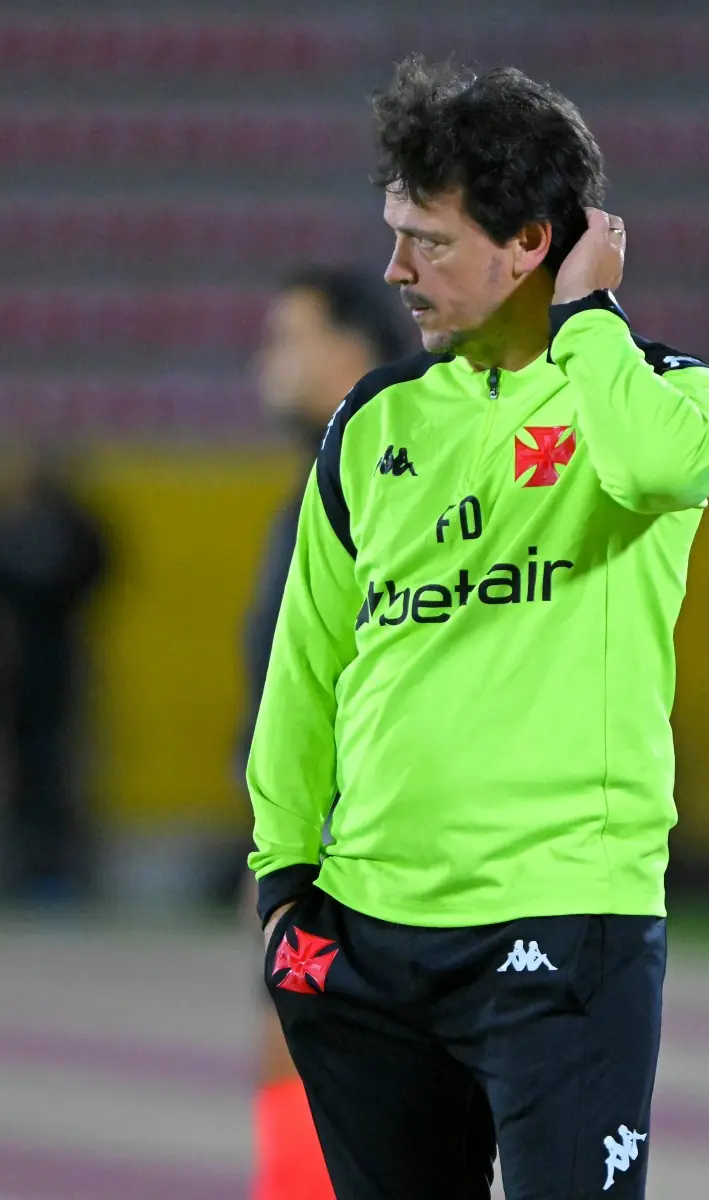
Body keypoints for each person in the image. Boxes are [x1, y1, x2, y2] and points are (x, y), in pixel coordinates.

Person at [247, 57, 709, 1200]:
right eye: (393, 235)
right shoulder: (373, 423)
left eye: (427, 242)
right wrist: (283, 892)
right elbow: (307, 667)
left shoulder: (663, 395)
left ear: (528, 243)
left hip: (564, 922)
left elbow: (652, 467)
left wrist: (588, 317)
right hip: (364, 933)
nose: (395, 270)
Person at [240, 266, 411, 1200]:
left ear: (351, 346)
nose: (266, 361)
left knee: (328, 1064)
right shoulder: (323, 487)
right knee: (297, 1058)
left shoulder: (390, 487)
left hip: (351, 846)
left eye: (287, 337)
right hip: (304, 836)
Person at [0, 450, 107, 902]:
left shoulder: (74, 526)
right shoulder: (15, 525)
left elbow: (99, 567)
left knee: (60, 765)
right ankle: (27, 864)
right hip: (19, 667)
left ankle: (58, 867)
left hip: (58, 666)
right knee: (27, 769)